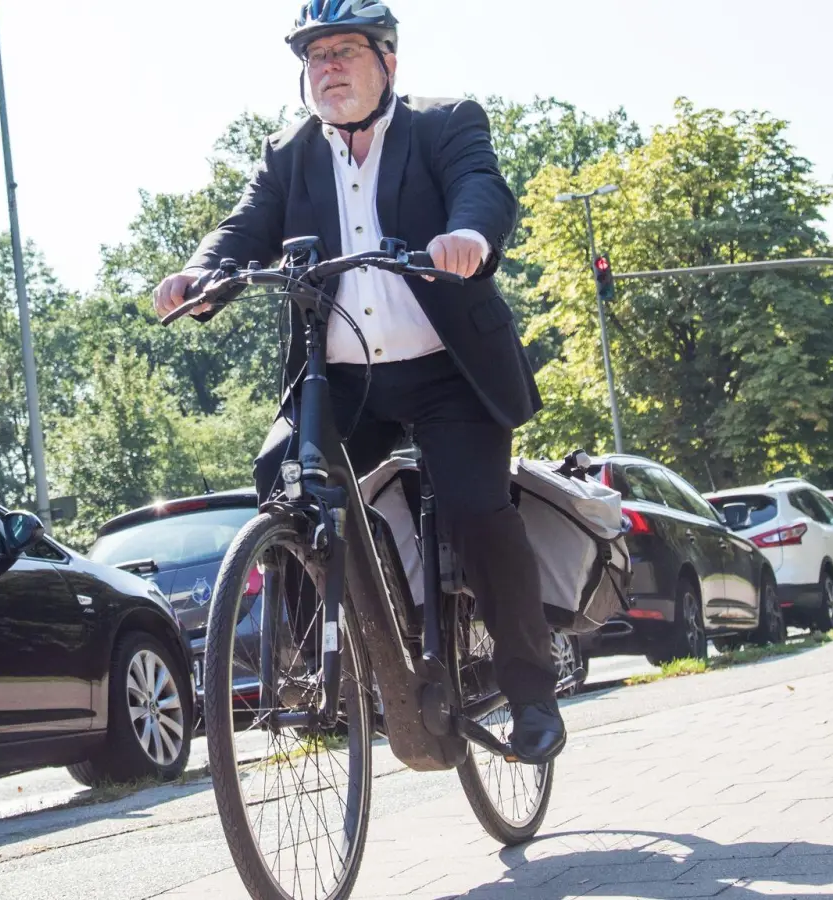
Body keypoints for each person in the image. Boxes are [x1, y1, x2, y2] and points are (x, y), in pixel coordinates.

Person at [152, 0, 566, 764]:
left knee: (478, 511)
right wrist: (202, 273)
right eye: (316, 57)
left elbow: (482, 186)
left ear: (389, 62)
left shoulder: (444, 125)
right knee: (284, 476)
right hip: (346, 379)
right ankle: (329, 660)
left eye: (345, 51)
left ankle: (532, 691)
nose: (329, 67)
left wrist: (468, 236)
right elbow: (244, 227)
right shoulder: (288, 154)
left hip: (449, 373)